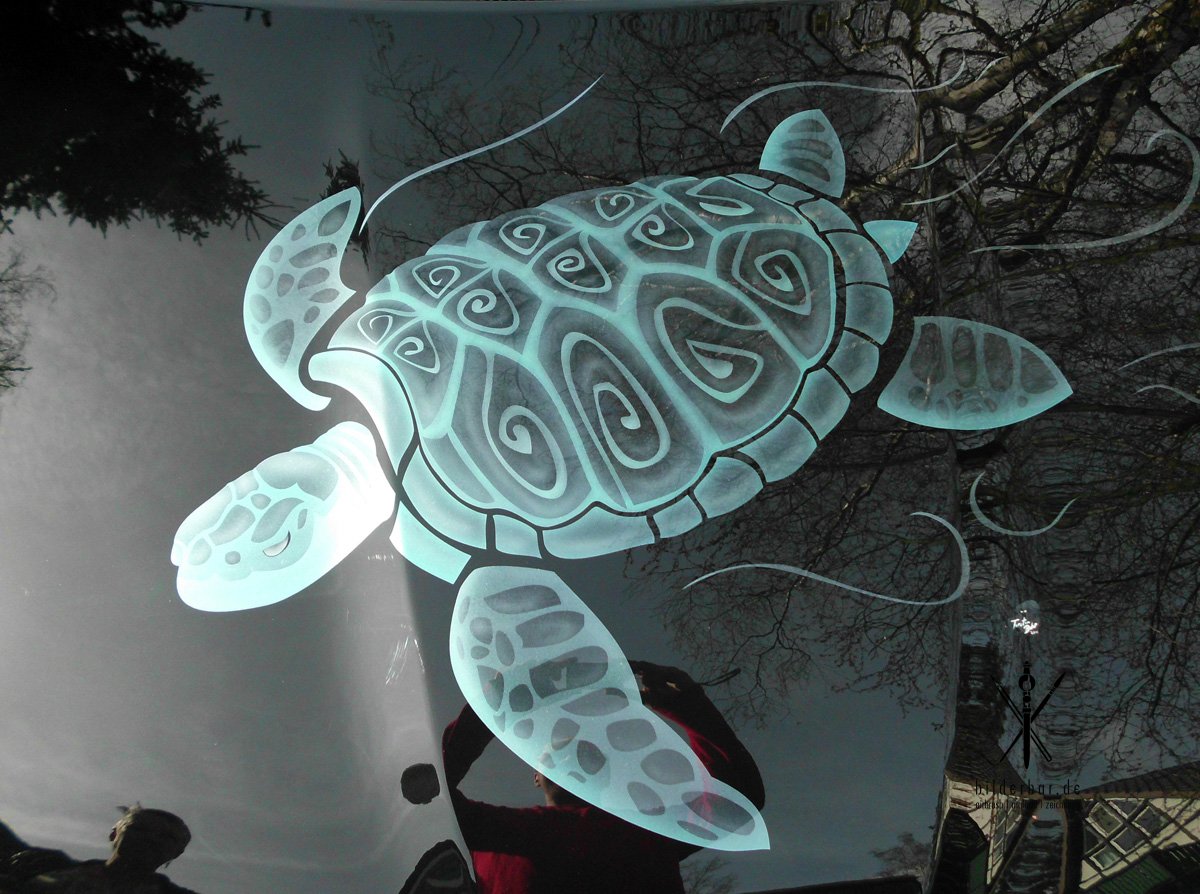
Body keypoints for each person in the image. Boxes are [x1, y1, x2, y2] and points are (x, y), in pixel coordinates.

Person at [442, 660, 765, 894]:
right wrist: (495, 703)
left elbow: (737, 800)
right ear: (536, 775)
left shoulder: (649, 831)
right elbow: (425, 795)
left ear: (604, 771)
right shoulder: (492, 830)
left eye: (588, 750)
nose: (572, 749)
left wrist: (687, 705)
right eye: (558, 746)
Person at [2, 805, 198, 894]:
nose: (151, 839)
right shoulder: (40, 865)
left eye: (167, 837)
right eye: (140, 829)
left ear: (177, 853)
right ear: (114, 834)